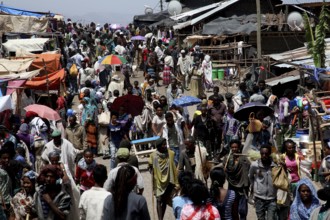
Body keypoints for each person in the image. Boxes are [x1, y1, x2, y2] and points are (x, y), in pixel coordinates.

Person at [149, 137, 178, 220]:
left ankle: (161, 218)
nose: (165, 146)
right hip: (158, 181)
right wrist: (151, 169)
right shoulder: (154, 156)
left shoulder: (171, 154)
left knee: (164, 200)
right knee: (159, 200)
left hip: (169, 180)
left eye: (166, 144)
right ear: (158, 146)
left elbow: (174, 166)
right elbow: (153, 167)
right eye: (163, 144)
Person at [224, 139, 250, 220]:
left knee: (242, 209)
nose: (234, 149)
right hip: (232, 186)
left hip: (242, 187)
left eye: (236, 147)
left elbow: (249, 169)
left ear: (239, 148)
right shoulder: (227, 158)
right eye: (232, 147)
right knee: (233, 207)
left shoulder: (244, 158)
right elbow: (226, 171)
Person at [249, 144, 277, 220]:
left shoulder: (275, 165)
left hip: (272, 198)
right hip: (259, 198)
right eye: (262, 154)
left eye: (266, 154)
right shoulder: (255, 165)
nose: (264, 155)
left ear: (270, 154)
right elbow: (250, 176)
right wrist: (255, 186)